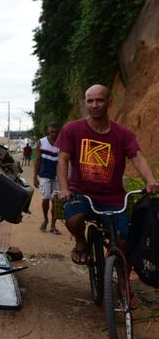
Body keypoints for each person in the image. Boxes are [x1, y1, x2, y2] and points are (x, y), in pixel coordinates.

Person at [56, 85, 159, 265]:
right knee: (73, 220)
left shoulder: (123, 134)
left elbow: (137, 157)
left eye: (100, 100)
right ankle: (81, 242)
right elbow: (63, 159)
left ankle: (121, 284)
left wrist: (150, 180)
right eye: (90, 101)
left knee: (125, 241)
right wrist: (64, 188)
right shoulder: (72, 129)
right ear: (86, 103)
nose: (95, 105)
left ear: (109, 102)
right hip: (82, 194)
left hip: (114, 198)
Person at [34, 122, 62, 234]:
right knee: (45, 198)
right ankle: (45, 219)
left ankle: (53, 225)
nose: (54, 134)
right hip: (44, 175)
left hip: (57, 176)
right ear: (48, 132)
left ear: (59, 132)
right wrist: (34, 177)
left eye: (56, 132)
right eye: (51, 132)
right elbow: (37, 160)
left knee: (55, 201)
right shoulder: (41, 142)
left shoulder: (62, 143)